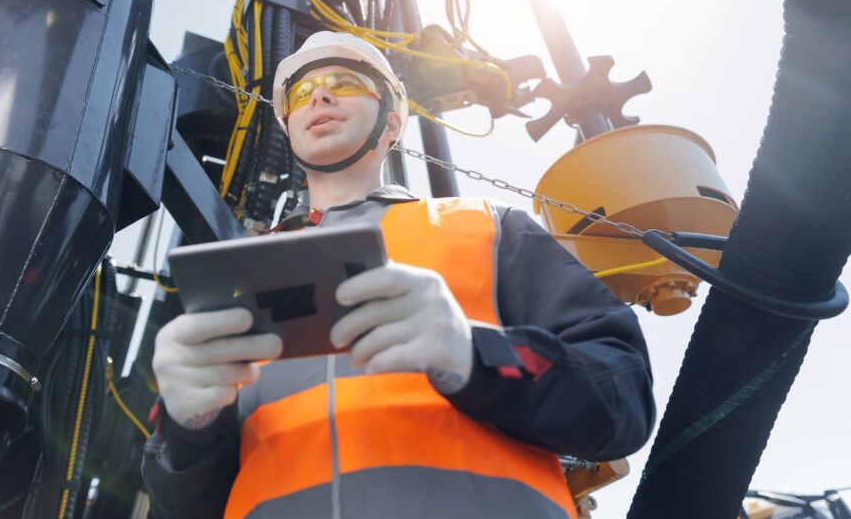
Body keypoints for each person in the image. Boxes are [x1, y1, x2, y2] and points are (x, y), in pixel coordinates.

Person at [142, 31, 655, 519]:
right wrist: (189, 431)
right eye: (302, 91)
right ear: (288, 123)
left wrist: (472, 353)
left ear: (391, 122)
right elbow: (185, 507)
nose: (319, 95)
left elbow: (619, 391)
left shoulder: (488, 228)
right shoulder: (238, 279)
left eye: (344, 83)